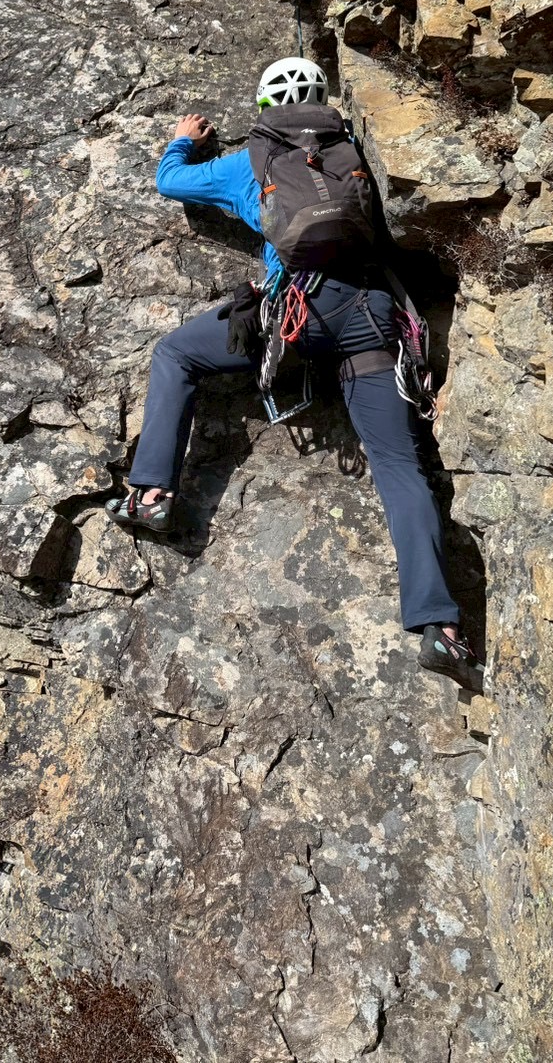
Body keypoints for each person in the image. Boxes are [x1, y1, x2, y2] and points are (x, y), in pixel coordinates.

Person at [105, 57, 483, 692]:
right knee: (399, 467)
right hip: (369, 318)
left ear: (263, 108)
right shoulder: (355, 154)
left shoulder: (249, 162)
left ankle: (151, 497)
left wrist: (183, 140)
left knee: (176, 354)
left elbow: (170, 182)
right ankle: (439, 627)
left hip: (295, 316)